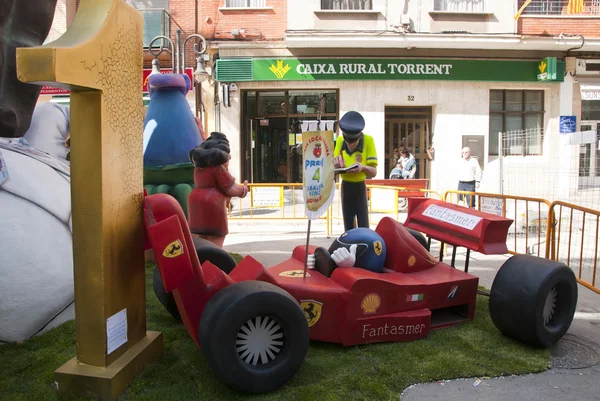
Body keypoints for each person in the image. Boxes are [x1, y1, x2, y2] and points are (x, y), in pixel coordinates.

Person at [188, 132, 248, 248]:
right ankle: (213, 260)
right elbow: (231, 188)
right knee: (216, 237)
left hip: (195, 201)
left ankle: (199, 259)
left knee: (199, 236)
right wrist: (243, 189)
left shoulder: (198, 168)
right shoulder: (217, 168)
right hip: (213, 202)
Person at [333, 111, 378, 231]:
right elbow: (332, 168)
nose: (350, 144)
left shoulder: (368, 140)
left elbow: (373, 172)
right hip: (346, 185)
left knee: (363, 221)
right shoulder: (339, 140)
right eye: (347, 141)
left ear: (360, 136)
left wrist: (363, 167)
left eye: (353, 142)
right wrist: (336, 165)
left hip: (360, 186)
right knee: (348, 223)